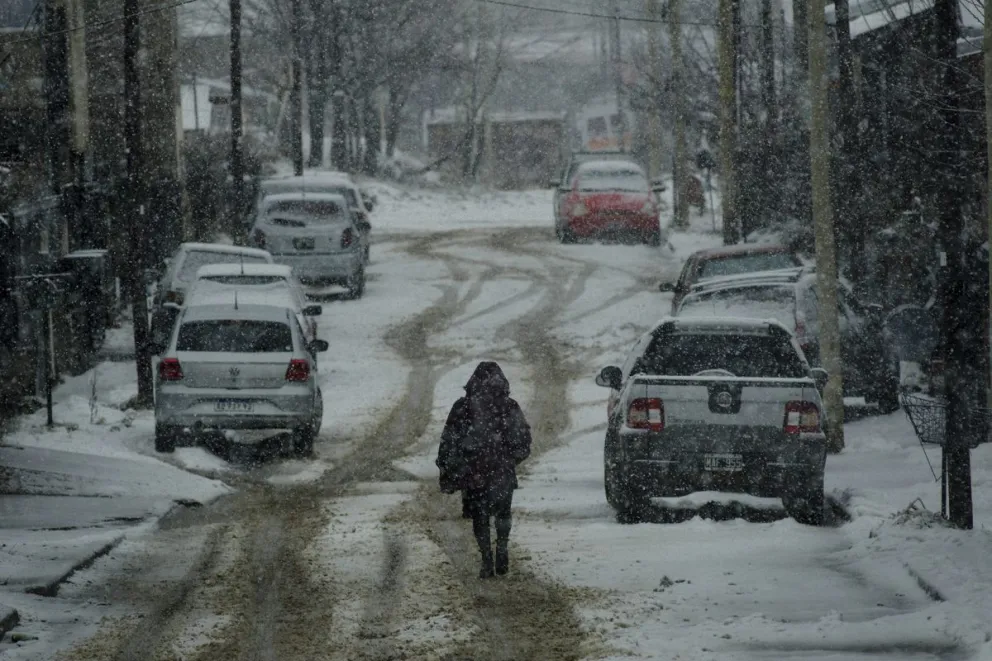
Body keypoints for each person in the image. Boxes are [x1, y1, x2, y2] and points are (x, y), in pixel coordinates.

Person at [437, 362, 532, 578]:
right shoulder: (509, 406)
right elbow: (523, 440)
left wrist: (449, 469)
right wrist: (510, 459)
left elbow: (448, 440)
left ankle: (486, 558)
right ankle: (502, 547)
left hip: (474, 472)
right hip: (502, 471)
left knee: (480, 516)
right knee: (503, 512)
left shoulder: (462, 408)